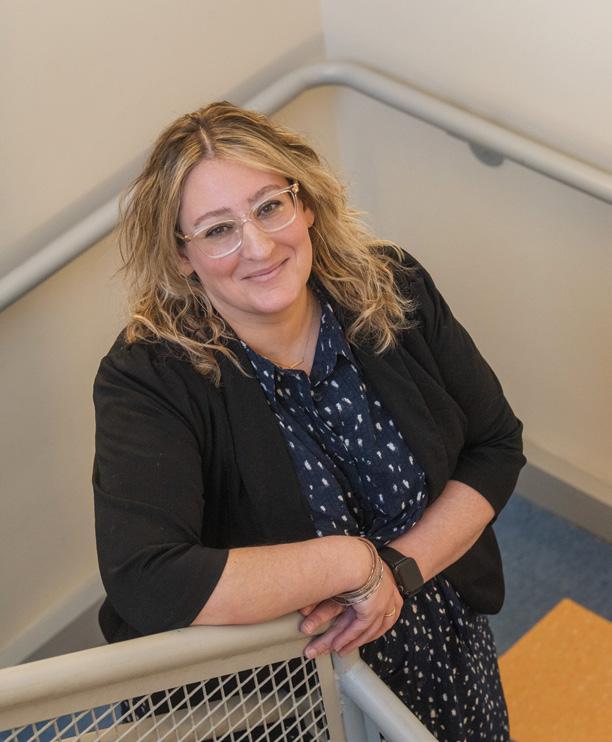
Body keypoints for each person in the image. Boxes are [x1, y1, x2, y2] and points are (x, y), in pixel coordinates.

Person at [93, 101, 525, 741]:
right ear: (182, 255)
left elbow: (495, 447)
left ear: (306, 204)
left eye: (270, 206)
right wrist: (350, 563)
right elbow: (149, 579)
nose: (259, 246)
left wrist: (397, 571)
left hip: (440, 644)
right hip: (284, 702)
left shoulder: (390, 285)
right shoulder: (149, 376)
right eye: (217, 230)